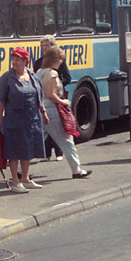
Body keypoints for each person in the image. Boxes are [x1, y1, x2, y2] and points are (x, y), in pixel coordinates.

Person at [0, 47, 49, 194]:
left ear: (25, 61)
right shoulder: (7, 78)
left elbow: (39, 97)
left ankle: (25, 178)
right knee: (14, 150)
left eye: (18, 59)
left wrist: (44, 113)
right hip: (15, 120)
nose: (14, 62)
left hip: (32, 119)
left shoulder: (33, 76)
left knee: (28, 148)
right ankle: (15, 181)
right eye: (13, 59)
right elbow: (1, 101)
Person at [37, 46, 92, 177]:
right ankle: (76, 170)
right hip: (52, 109)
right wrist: (64, 102)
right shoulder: (52, 73)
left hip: (40, 108)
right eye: (61, 59)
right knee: (66, 140)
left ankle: (20, 171)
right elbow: (51, 94)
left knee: (36, 139)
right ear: (55, 59)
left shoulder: (39, 72)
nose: (62, 62)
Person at [33, 34, 70, 162]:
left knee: (57, 126)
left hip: (54, 97)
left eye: (47, 45)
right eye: (43, 46)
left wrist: (57, 86)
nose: (44, 48)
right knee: (45, 128)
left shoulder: (59, 63)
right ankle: (46, 153)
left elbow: (68, 77)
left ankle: (59, 152)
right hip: (44, 98)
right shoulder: (38, 63)